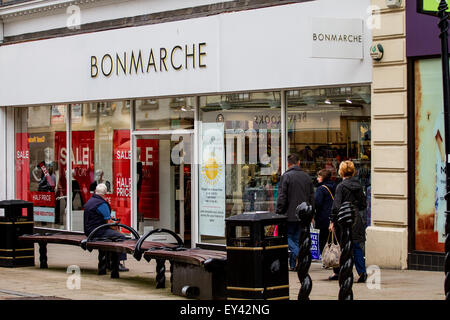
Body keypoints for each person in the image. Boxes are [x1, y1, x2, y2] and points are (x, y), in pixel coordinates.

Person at [328, 160, 367, 283]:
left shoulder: (341, 186)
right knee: (356, 246)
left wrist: (332, 221)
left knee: (343, 246)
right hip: (356, 218)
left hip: (343, 219)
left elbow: (336, 206)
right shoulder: (358, 185)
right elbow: (363, 204)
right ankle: (362, 272)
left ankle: (342, 271)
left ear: (341, 172)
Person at [276, 153, 314, 271]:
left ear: (288, 164)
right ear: (298, 163)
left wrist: (279, 212)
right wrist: (311, 213)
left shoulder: (286, 176)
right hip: (303, 215)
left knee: (286, 237)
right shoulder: (307, 177)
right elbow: (312, 197)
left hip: (289, 214)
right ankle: (293, 265)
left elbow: (282, 197)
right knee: (297, 239)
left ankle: (298, 255)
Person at [83, 183, 129, 272]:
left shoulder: (90, 201)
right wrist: (117, 227)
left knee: (111, 237)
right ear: (105, 193)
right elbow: (109, 223)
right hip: (97, 231)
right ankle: (117, 263)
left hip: (89, 231)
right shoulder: (102, 204)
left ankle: (108, 262)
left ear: (96, 191)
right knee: (120, 237)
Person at [314, 169, 336, 257]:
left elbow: (317, 203)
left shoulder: (321, 189)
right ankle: (334, 256)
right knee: (332, 239)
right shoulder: (335, 186)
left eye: (319, 177)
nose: (317, 179)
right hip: (333, 216)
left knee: (323, 239)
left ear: (323, 178)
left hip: (323, 217)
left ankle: (326, 258)